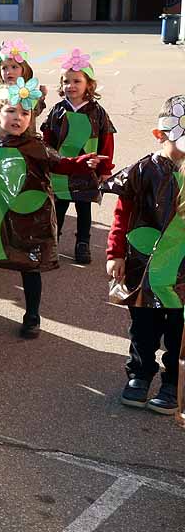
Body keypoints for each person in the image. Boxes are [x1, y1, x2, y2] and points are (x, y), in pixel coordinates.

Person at [0, 82, 107, 337]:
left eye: (25, 114)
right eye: (12, 111)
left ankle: (32, 315)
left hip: (29, 221)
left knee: (30, 267)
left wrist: (84, 162)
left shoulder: (34, 147)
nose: (18, 118)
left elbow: (60, 164)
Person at [103, 95, 185, 414]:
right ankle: (139, 373)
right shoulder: (144, 170)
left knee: (178, 330)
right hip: (144, 267)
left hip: (180, 273)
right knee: (143, 326)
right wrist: (115, 252)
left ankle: (171, 383)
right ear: (160, 135)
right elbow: (123, 213)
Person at [41, 49, 115, 265]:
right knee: (59, 208)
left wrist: (104, 169)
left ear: (88, 85)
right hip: (61, 169)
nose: (70, 86)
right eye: (66, 81)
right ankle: (52, 243)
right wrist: (47, 164)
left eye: (76, 81)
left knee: (84, 209)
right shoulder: (57, 110)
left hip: (87, 170)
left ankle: (83, 243)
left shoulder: (97, 112)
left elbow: (107, 142)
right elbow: (48, 139)